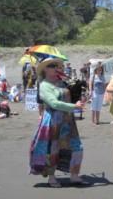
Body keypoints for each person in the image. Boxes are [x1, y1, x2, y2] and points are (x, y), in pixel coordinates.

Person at [29, 58, 85, 187]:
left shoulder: (61, 82)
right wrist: (73, 107)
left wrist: (76, 94)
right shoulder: (44, 85)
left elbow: (70, 97)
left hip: (67, 120)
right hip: (53, 120)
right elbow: (53, 103)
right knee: (52, 149)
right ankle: (52, 177)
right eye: (52, 66)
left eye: (57, 66)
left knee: (76, 146)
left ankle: (74, 175)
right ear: (45, 69)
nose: (56, 68)